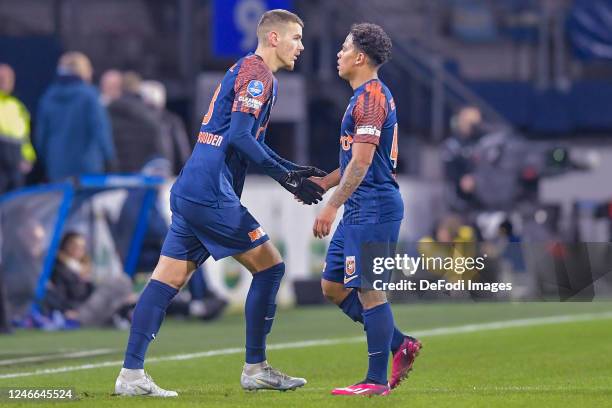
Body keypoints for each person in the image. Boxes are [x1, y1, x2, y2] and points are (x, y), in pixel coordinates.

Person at [114, 9, 325, 397]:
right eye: (296, 37)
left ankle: (130, 375)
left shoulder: (248, 71)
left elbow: (244, 139)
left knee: (168, 279)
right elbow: (242, 138)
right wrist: (285, 176)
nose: (301, 46)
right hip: (211, 190)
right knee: (271, 267)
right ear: (274, 38)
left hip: (194, 184)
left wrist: (290, 169)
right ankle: (256, 368)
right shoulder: (258, 74)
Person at [311, 23, 421, 396]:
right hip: (361, 206)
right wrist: (325, 183)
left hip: (372, 207)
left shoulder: (371, 98)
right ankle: (400, 344)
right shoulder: (363, 96)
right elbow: (357, 160)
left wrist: (330, 205)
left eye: (344, 48)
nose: (338, 54)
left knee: (370, 292)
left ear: (359, 57)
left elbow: (361, 165)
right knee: (332, 286)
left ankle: (375, 381)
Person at [35, 52, 115, 181]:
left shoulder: (48, 97)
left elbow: (41, 137)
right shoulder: (90, 96)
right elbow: (101, 130)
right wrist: (110, 159)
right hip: (88, 167)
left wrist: (45, 161)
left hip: (56, 166)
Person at [140, 80, 192, 175]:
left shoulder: (136, 120)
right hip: (166, 174)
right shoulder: (172, 120)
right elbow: (183, 153)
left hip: (139, 176)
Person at [0, 63, 35, 194]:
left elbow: (25, 136)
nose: (5, 82)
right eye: (2, 78)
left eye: (9, 79)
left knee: (16, 201)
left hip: (15, 161)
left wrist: (28, 157)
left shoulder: (17, 107)